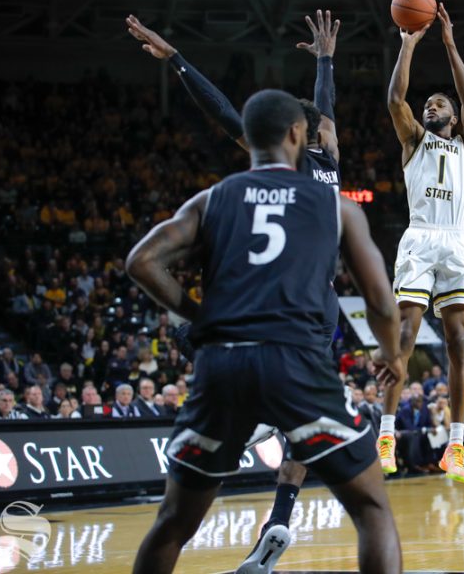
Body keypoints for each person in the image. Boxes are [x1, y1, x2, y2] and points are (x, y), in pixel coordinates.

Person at [126, 89, 404, 574]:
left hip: (222, 366)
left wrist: (200, 314)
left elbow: (141, 261)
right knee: (371, 509)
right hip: (295, 360)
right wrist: (391, 354)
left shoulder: (212, 199)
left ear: (249, 139)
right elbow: (380, 301)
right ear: (298, 134)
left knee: (172, 523)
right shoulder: (334, 206)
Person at [127, 10, 345, 573]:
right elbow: (327, 110)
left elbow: (225, 112)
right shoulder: (330, 166)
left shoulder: (275, 168)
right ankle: (280, 515)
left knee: (201, 326)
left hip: (263, 310)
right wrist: (324, 60)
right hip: (318, 310)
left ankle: (235, 423)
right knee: (313, 434)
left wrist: (176, 59)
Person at [376, 3, 464, 484]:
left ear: (455, 119)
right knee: (406, 335)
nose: (430, 107)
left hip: (456, 243)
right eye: (429, 105)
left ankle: (456, 445)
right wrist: (408, 44)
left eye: (440, 104)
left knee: (458, 342)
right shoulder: (414, 141)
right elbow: (396, 99)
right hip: (420, 237)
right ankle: (385, 431)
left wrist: (450, 44)